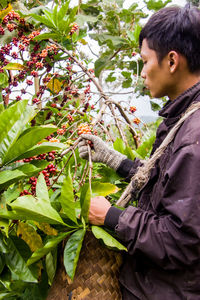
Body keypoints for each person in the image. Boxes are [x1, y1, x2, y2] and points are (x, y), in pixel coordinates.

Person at [78, 4, 200, 299]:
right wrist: (114, 159)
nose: (143, 72)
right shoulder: (185, 116)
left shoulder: (195, 136)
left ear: (172, 61)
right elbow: (168, 184)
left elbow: (183, 242)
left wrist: (112, 217)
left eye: (145, 61)